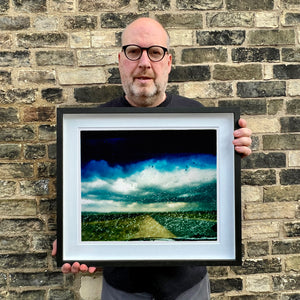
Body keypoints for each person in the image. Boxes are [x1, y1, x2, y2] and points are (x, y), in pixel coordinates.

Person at [52, 17, 252, 300]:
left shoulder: (198, 116)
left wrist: (236, 147)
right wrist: (73, 238)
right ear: (120, 60)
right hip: (122, 290)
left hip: (188, 287)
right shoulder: (90, 125)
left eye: (155, 52)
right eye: (134, 51)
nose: (144, 62)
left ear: (168, 62)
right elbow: (73, 198)